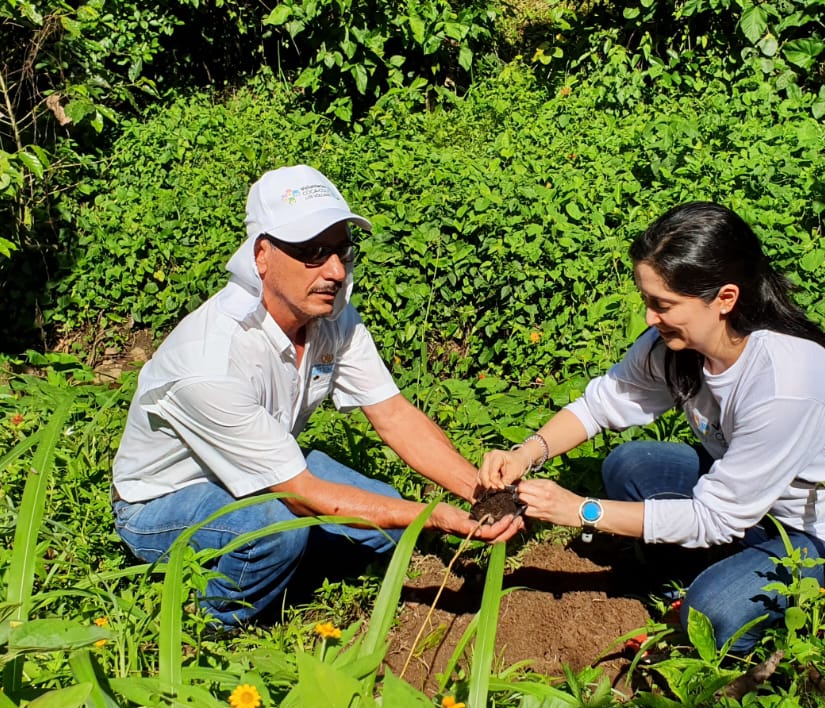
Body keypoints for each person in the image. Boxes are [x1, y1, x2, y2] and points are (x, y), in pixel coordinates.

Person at [479, 201, 825, 654]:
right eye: (647, 300)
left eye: (663, 305)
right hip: (758, 506)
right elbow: (602, 404)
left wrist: (582, 511)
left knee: (713, 616)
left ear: (725, 299)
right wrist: (525, 453)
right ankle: (725, 568)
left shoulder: (788, 382)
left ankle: (804, 614)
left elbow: (715, 516)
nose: (650, 317)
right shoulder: (674, 346)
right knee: (633, 464)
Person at [112, 164, 521, 627]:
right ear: (261, 255)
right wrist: (433, 517)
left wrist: (482, 494)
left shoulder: (332, 317)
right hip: (167, 498)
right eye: (312, 252)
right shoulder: (212, 360)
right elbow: (301, 492)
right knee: (275, 533)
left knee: (384, 531)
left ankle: (285, 575)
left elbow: (394, 416)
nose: (334, 271)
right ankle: (208, 626)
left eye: (342, 250)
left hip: (268, 469)